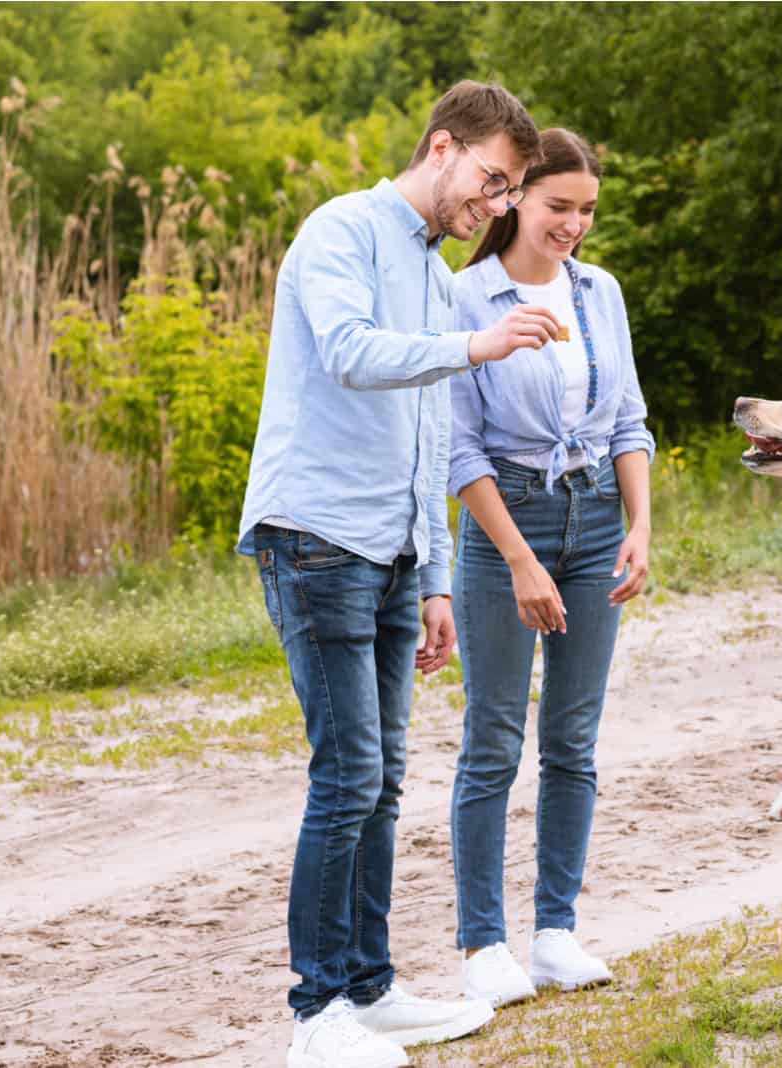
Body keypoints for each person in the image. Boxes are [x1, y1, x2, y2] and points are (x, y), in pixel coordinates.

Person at [237, 81, 566, 1068]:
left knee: (380, 783)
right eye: (492, 181)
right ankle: (315, 1016)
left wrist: (431, 574)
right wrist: (476, 343)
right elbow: (346, 353)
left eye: (509, 191)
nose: (497, 206)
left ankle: (370, 991)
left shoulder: (429, 270)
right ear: (439, 148)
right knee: (345, 778)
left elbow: (427, 432)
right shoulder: (340, 231)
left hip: (387, 551)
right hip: (316, 533)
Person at [445, 128, 655, 1008]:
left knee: (573, 741)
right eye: (558, 206)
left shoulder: (599, 292)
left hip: (596, 522)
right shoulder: (464, 299)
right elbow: (458, 450)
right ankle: (482, 944)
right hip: (508, 527)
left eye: (587, 211)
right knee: (494, 739)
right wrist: (521, 560)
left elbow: (629, 422)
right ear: (517, 197)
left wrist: (640, 524)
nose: (573, 225)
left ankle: (555, 933)